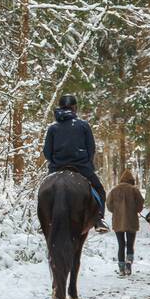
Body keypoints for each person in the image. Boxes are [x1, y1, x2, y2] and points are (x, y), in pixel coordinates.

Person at [42, 94, 107, 229]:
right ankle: (99, 219)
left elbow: (47, 152)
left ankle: (43, 220)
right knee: (99, 190)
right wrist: (86, 163)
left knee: (43, 190)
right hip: (81, 167)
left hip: (57, 168)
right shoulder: (83, 125)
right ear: (74, 108)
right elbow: (91, 149)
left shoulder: (53, 128)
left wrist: (56, 162)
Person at [107, 169, 144, 277]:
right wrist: (135, 210)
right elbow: (140, 204)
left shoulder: (114, 190)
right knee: (130, 244)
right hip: (132, 221)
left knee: (121, 244)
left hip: (118, 222)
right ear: (131, 180)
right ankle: (129, 263)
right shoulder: (134, 190)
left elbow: (109, 205)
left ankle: (121, 268)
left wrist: (116, 211)